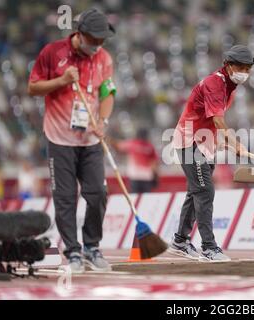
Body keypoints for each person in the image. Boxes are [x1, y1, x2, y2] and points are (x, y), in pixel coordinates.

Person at [27, 8, 116, 273]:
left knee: (98, 193)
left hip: (89, 140)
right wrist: (61, 80)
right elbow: (32, 87)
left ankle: (92, 246)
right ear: (80, 33)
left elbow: (108, 93)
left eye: (102, 41)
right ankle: (73, 252)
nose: (98, 45)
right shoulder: (53, 53)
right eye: (94, 40)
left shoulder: (104, 58)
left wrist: (103, 121)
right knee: (65, 198)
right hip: (59, 139)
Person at [170, 45, 254, 261]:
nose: (244, 73)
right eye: (241, 68)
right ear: (227, 65)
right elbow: (218, 119)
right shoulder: (215, 83)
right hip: (189, 142)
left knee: (196, 191)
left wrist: (221, 142)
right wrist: (235, 144)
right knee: (205, 191)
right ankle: (209, 247)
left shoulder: (229, 88)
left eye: (248, 69)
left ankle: (180, 241)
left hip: (203, 143)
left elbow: (211, 122)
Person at [114, 128, 159, 193]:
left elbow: (118, 146)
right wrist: (156, 177)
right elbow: (154, 164)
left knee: (134, 198)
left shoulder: (132, 144)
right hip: (147, 177)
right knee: (146, 199)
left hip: (134, 176)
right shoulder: (150, 147)